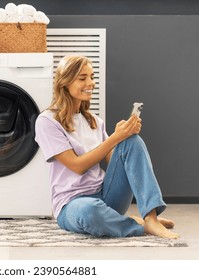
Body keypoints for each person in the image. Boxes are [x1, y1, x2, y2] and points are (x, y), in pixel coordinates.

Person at [35, 55, 179, 239]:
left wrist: (124, 137)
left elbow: (116, 160)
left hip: (108, 195)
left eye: (92, 76)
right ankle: (136, 225)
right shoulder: (47, 121)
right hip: (72, 204)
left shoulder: (94, 120)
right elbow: (77, 166)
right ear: (65, 83)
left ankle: (150, 218)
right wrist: (114, 138)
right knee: (90, 212)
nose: (90, 83)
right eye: (82, 78)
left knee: (132, 142)